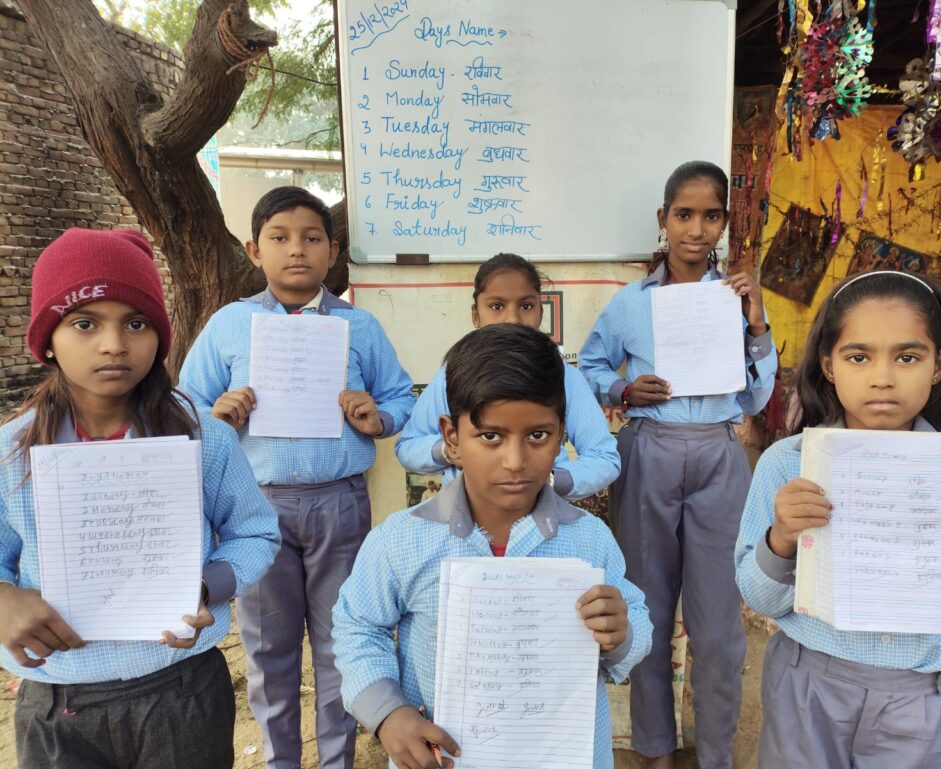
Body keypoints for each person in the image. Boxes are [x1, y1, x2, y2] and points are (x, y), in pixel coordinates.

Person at [0, 228, 280, 769]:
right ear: (47, 338)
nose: (114, 344)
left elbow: (255, 532)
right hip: (60, 703)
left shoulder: (203, 438)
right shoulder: (12, 451)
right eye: (85, 323)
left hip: (182, 690)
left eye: (136, 322)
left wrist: (206, 584)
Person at [332, 323, 652, 769]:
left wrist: (621, 634)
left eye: (538, 436)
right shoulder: (402, 539)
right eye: (491, 437)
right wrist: (387, 713)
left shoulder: (589, 541)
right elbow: (357, 627)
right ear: (451, 438)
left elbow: (633, 618)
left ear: (562, 434)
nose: (516, 461)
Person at [735, 270, 941, 769]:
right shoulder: (787, 465)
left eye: (907, 357)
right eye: (858, 356)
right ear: (828, 364)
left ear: (938, 365)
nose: (882, 377)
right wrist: (780, 540)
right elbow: (757, 597)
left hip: (913, 701)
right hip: (806, 686)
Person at [178, 187, 415, 769]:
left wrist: (376, 416)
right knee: (268, 648)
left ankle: (335, 761)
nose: (297, 251)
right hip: (255, 513)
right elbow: (182, 406)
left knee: (343, 643)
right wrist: (215, 417)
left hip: (340, 506)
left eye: (312, 238)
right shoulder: (231, 325)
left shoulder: (359, 327)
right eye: (279, 238)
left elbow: (400, 396)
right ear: (254, 250)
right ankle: (282, 760)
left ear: (333, 250)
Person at [578, 161, 777, 769]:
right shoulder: (630, 306)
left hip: (718, 451)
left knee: (718, 622)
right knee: (648, 606)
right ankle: (656, 747)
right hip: (650, 451)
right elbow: (589, 368)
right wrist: (623, 392)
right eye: (683, 215)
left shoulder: (735, 299)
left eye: (710, 215)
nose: (696, 229)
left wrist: (758, 323)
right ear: (663, 220)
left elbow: (756, 399)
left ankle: (715, 752)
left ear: (723, 222)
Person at [395, 253, 620, 500]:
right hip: (464, 520)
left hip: (545, 515)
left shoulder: (566, 378)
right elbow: (407, 447)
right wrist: (447, 451)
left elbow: (604, 458)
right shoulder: (452, 375)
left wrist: (550, 480)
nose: (512, 318)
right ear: (476, 316)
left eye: (526, 306)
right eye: (497, 306)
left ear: (541, 312)